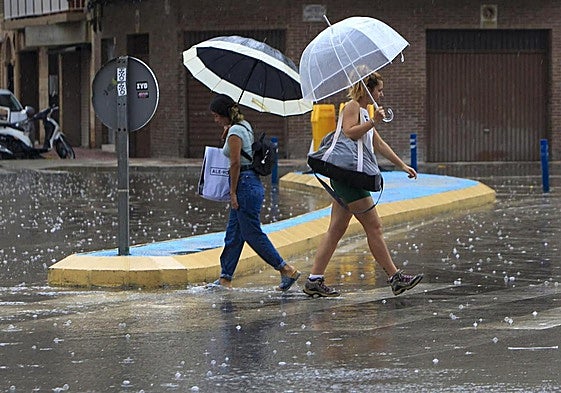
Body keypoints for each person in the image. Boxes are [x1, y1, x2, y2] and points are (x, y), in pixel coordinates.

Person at [303, 72, 423, 298]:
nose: (381, 94)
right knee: (374, 226)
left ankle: (314, 280)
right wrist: (372, 122)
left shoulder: (364, 112)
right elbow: (349, 132)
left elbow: (378, 143)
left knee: (336, 230)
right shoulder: (351, 107)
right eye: (378, 90)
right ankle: (395, 278)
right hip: (348, 177)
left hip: (350, 177)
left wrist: (402, 165)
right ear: (367, 90)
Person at [207, 93, 301, 291]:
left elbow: (235, 164)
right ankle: (225, 278)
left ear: (225, 114)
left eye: (216, 116)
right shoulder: (243, 126)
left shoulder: (235, 132)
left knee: (251, 233)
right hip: (252, 183)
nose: (214, 120)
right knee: (234, 234)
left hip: (245, 186)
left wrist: (232, 193)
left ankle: (286, 269)